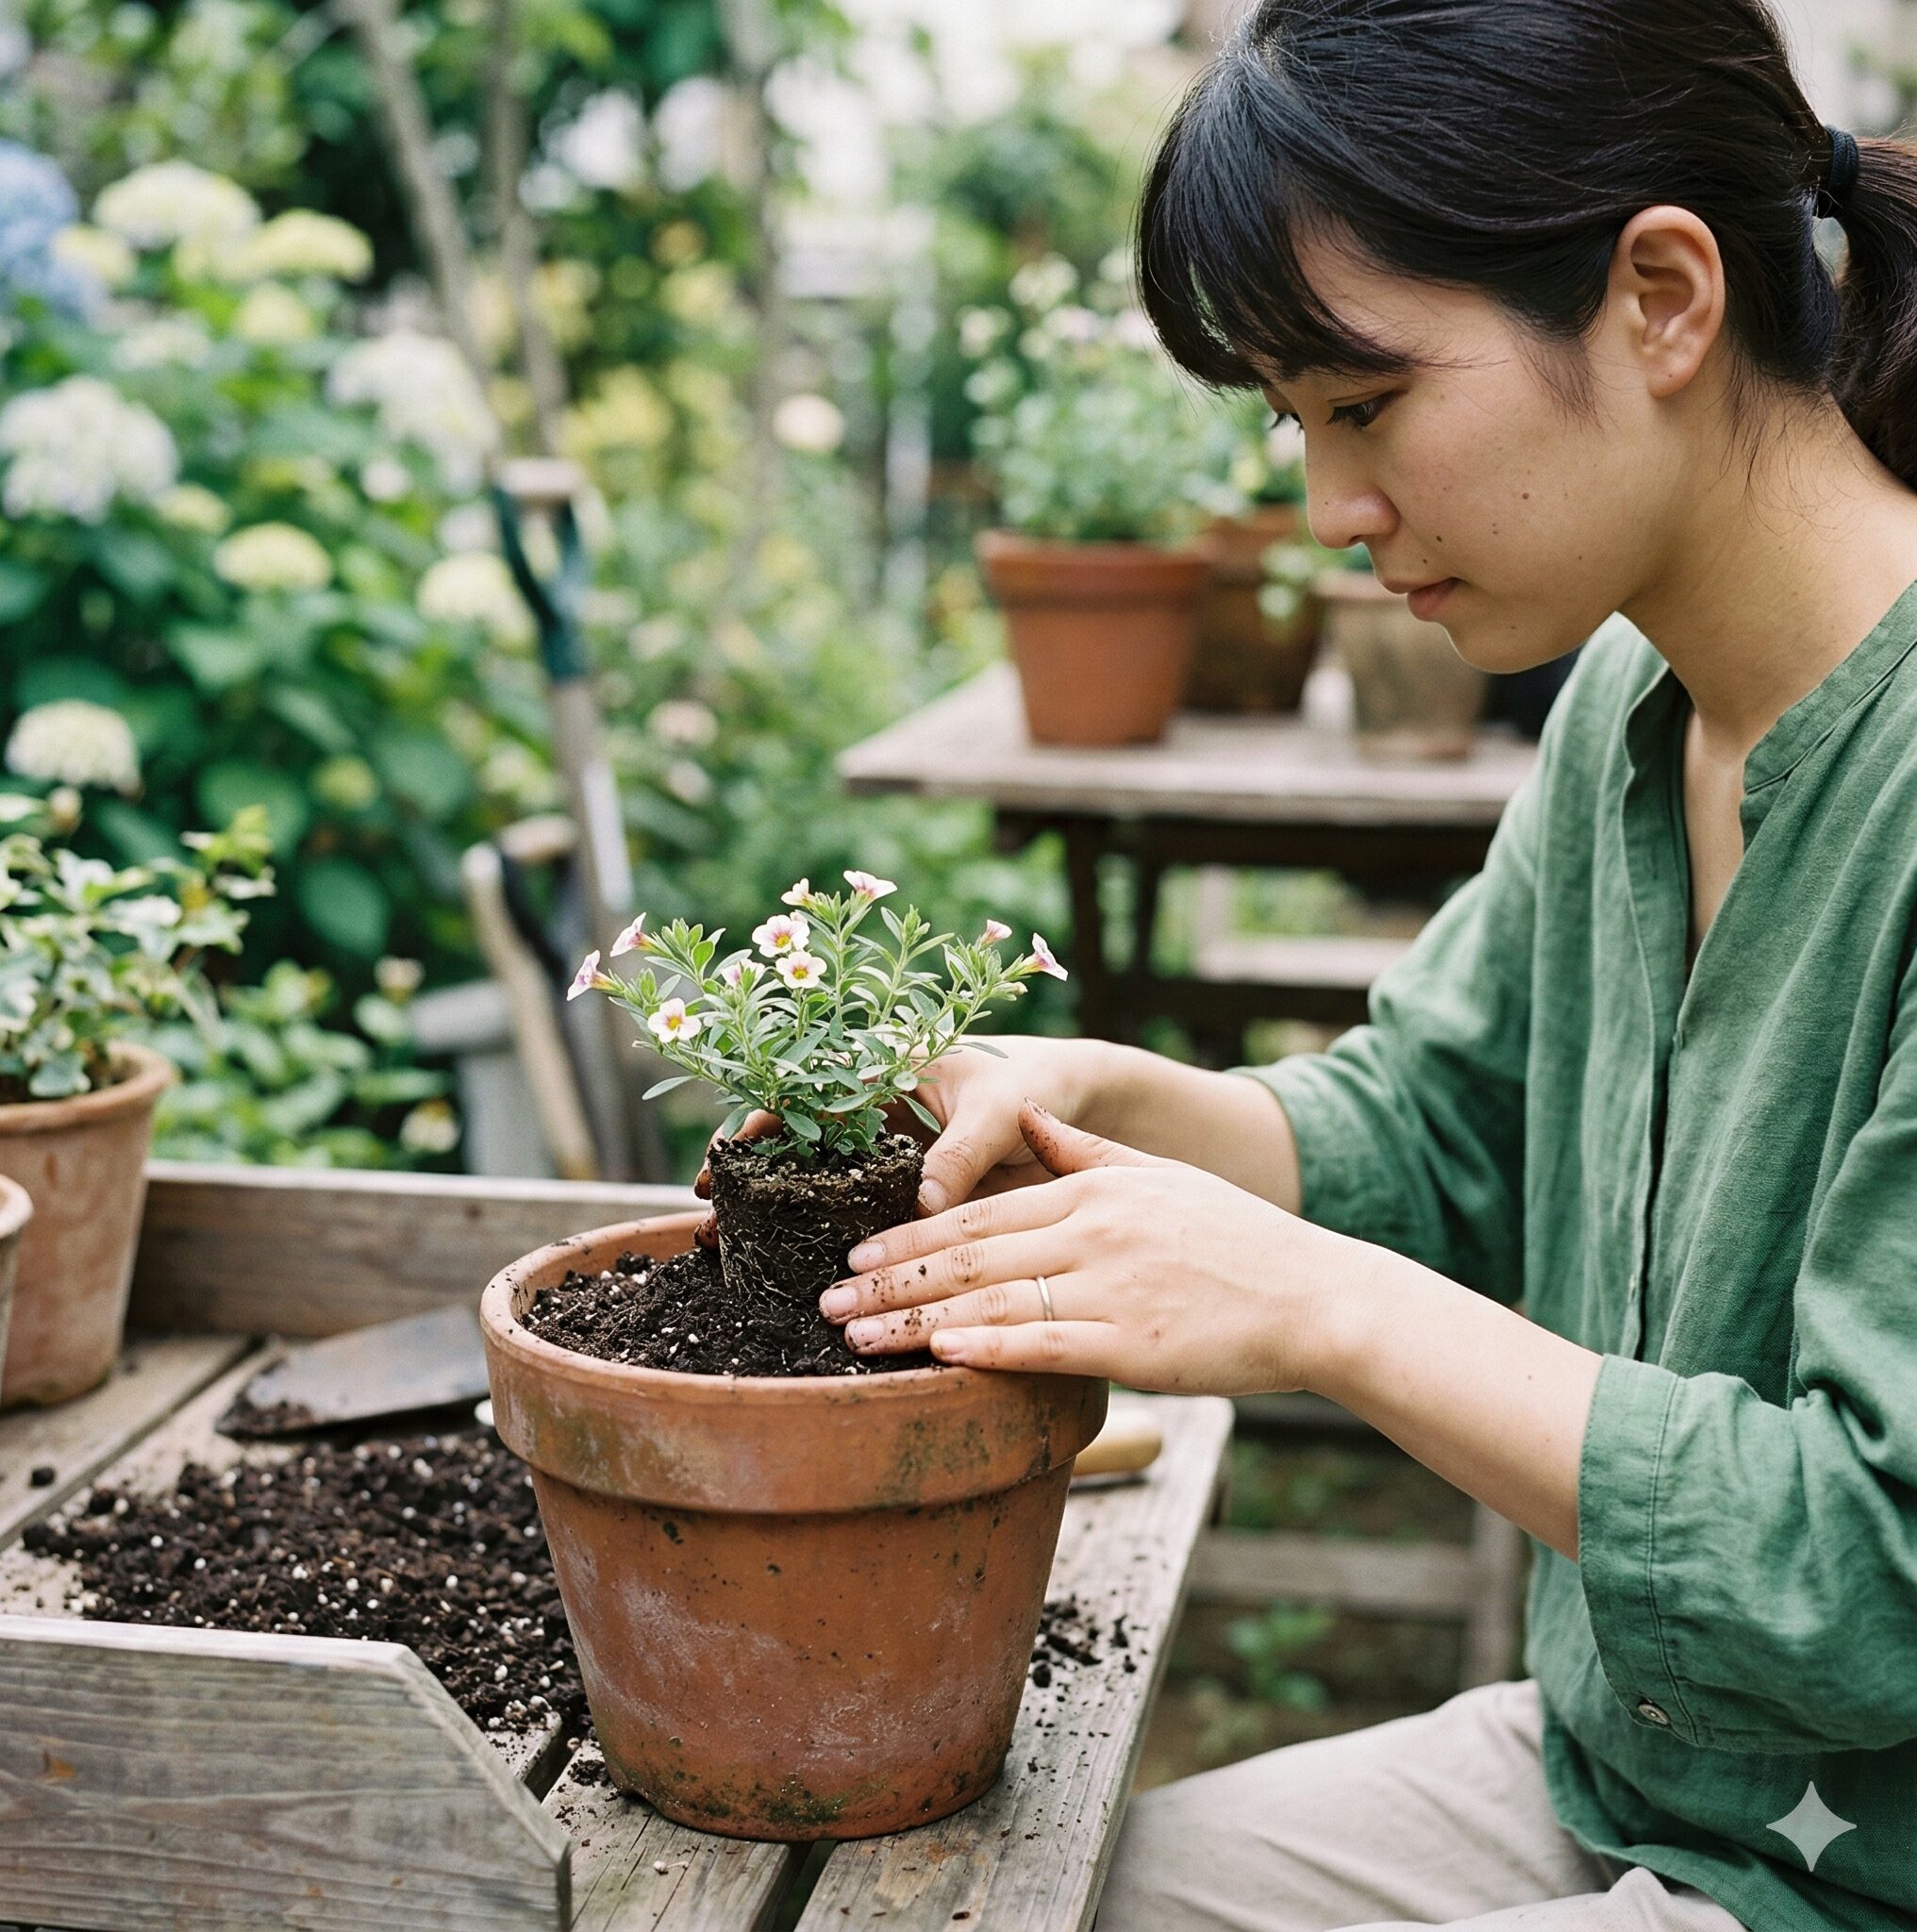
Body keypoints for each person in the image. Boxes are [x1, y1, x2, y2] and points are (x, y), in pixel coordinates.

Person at [702, 0, 1917, 1923]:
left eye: (1362, 404)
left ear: (1662, 300)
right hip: (1637, 1771)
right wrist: (1122, 1106)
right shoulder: (1629, 703)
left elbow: (1871, 1571)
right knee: (1011, 1902)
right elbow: (1434, 1120)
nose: (1326, 513)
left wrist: (1314, 1306)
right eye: (1292, 423)